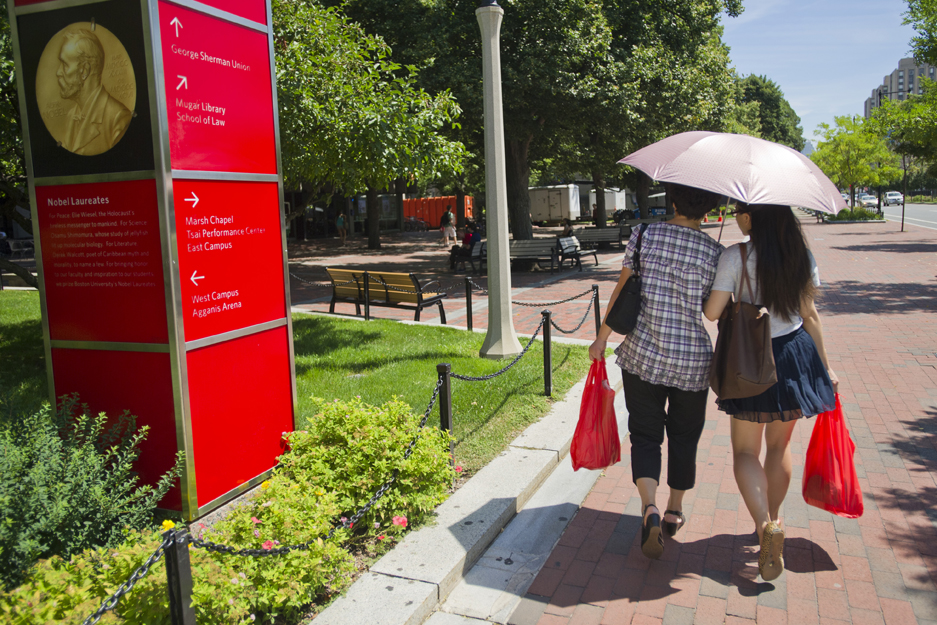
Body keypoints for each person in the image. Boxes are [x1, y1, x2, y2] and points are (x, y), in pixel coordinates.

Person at [703, 203, 838, 582]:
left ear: (750, 218)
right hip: (795, 356)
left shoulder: (736, 256)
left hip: (750, 361)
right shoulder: (801, 256)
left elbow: (712, 312)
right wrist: (826, 368)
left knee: (746, 451)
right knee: (779, 447)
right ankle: (775, 519)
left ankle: (764, 526)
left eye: (737, 211)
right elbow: (809, 315)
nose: (734, 216)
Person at [589, 183, 724, 560]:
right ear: (709, 208)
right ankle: (674, 510)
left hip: (643, 355)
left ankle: (648, 506)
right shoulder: (716, 252)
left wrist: (601, 338)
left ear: (673, 200)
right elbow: (712, 310)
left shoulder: (644, 235)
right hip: (691, 362)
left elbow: (622, 290)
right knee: (685, 437)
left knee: (645, 435)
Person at [56, 29, 132, 155]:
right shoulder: (71, 116)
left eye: (64, 65)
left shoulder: (118, 119)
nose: (58, 72)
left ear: (84, 70)